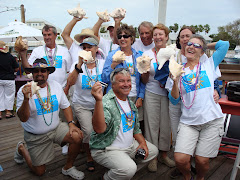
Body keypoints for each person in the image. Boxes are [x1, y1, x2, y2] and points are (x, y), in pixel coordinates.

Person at [169, 35, 229, 180]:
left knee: (202, 161)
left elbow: (225, 44)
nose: (191, 46)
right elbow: (174, 99)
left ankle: (200, 178)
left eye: (196, 46)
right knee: (180, 159)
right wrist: (175, 82)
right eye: (189, 44)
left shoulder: (209, 64)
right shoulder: (177, 69)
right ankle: (188, 176)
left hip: (212, 121)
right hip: (188, 123)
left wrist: (204, 45)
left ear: (202, 52)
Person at [14, 58, 84, 180]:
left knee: (77, 136)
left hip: (55, 128)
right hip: (36, 135)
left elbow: (66, 106)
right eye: (36, 71)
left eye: (43, 70)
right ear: (32, 73)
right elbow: (23, 118)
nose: (40, 73)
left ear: (48, 73)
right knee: (40, 172)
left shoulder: (55, 86)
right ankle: (22, 149)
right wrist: (26, 99)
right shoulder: (24, 90)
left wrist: (72, 124)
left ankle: (68, 167)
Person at [90, 68, 158, 180]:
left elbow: (136, 129)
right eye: (121, 81)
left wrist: (143, 144)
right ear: (113, 84)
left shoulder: (130, 104)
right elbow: (99, 129)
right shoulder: (106, 102)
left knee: (153, 151)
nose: (126, 84)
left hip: (129, 147)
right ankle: (108, 177)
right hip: (107, 149)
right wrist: (98, 101)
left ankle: (123, 171)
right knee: (129, 169)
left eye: (128, 81)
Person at [66, 37, 105, 172]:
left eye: (90, 47)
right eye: (84, 47)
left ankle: (101, 153)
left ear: (96, 49)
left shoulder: (103, 63)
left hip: (99, 104)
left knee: (100, 129)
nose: (87, 50)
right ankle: (89, 157)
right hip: (81, 104)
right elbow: (70, 82)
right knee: (88, 131)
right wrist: (79, 65)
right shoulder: (77, 64)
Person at [141, 24, 175, 172]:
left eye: (161, 34)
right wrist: (145, 70)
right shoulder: (147, 54)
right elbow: (143, 80)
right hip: (152, 93)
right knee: (151, 126)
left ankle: (164, 154)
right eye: (155, 35)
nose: (158, 37)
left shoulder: (173, 52)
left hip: (168, 94)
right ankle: (152, 157)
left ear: (166, 36)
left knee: (166, 126)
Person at [102, 23, 145, 131]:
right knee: (118, 126)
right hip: (117, 97)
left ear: (132, 38)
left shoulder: (138, 56)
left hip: (134, 96)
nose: (122, 38)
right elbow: (104, 78)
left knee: (134, 126)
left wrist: (141, 96)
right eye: (120, 36)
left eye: (125, 36)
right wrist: (113, 65)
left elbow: (143, 81)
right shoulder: (112, 55)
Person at [20, 24, 72, 89]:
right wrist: (23, 54)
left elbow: (70, 72)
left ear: (56, 35)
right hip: (41, 89)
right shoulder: (37, 51)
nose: (47, 37)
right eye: (44, 35)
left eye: (49, 34)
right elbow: (28, 70)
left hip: (61, 88)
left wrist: (67, 88)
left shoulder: (64, 51)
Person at [0, 41, 19, 119]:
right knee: (9, 96)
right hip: (9, 78)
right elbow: (17, 68)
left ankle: (0, 113)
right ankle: (8, 112)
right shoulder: (10, 56)